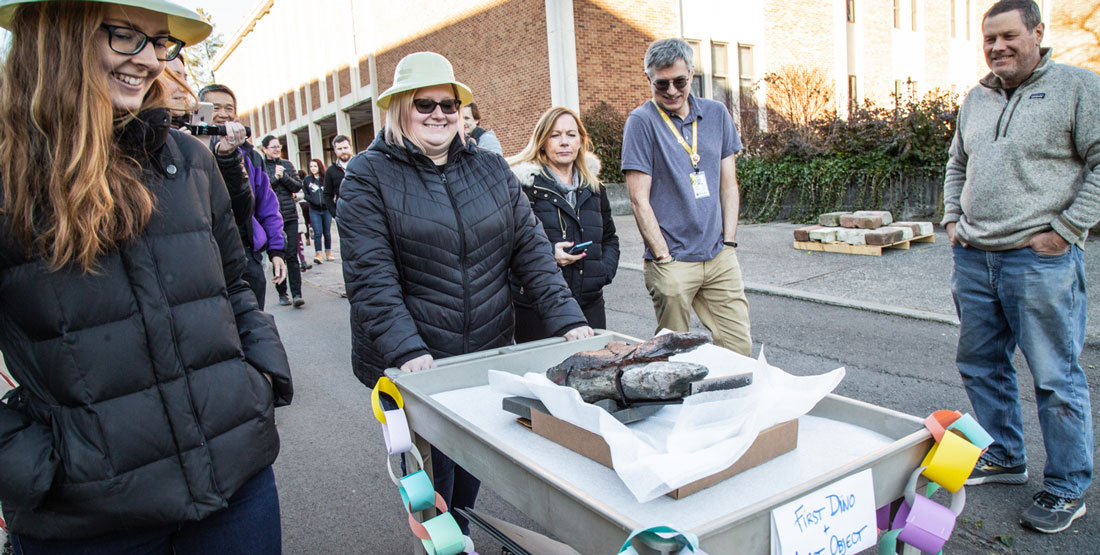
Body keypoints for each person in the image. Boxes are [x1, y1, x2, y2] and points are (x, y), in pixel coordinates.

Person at [0, 1, 293, 552]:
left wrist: (260, 378)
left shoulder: (188, 158)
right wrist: (33, 468)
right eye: (127, 36)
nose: (153, 61)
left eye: (160, 42)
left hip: (235, 486)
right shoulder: (8, 179)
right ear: (57, 37)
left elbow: (236, 285)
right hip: (87, 521)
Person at [338, 51, 591, 547]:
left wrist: (569, 321)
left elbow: (532, 252)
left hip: (481, 357)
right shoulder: (366, 175)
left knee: (466, 482)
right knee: (432, 497)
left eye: (448, 104)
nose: (439, 114)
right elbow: (371, 277)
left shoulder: (492, 169)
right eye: (424, 104)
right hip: (418, 368)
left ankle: (462, 536)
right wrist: (408, 351)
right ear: (399, 109)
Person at [943, 0, 1099, 534]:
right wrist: (950, 219)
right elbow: (957, 160)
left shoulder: (1077, 88)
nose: (997, 47)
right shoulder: (976, 97)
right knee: (981, 363)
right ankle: (1005, 455)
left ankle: (1068, 485)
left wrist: (1067, 229)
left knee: (1055, 377)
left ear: (1037, 32)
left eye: (1008, 36)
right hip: (975, 258)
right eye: (989, 39)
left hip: (1040, 262)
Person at [621, 38, 751, 356]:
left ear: (691, 74)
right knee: (674, 357)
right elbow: (639, 199)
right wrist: (664, 257)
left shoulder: (717, 114)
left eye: (679, 81)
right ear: (648, 79)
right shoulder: (641, 122)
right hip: (673, 261)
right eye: (661, 83)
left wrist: (730, 243)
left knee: (738, 346)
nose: (672, 91)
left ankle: (727, 404)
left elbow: (728, 185)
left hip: (719, 256)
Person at [509, 106, 619, 340]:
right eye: (555, 135)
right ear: (542, 141)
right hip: (537, 305)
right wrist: (550, 254)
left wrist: (603, 272)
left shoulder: (594, 188)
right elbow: (508, 244)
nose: (564, 142)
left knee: (592, 369)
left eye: (571, 134)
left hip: (589, 303)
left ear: (580, 140)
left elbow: (610, 238)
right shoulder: (524, 188)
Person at [199, 83, 286, 309]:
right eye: (215, 107)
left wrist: (276, 251)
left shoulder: (250, 155)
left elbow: (267, 206)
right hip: (205, 258)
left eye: (229, 108)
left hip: (247, 255)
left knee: (254, 323)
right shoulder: (189, 150)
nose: (223, 114)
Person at [260, 135, 304, 308]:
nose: (277, 149)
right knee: (279, 256)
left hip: (290, 216)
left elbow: (297, 186)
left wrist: (284, 176)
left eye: (279, 146)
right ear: (264, 149)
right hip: (272, 219)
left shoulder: (286, 164)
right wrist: (275, 179)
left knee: (292, 255)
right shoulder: (261, 166)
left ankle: (297, 293)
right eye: (273, 147)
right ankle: (282, 293)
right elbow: (261, 189)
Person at [303, 158, 332, 264]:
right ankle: (318, 254)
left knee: (327, 233)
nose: (313, 168)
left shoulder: (325, 178)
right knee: (317, 232)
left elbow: (331, 191)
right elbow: (305, 193)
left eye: (315, 166)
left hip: (326, 209)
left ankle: (328, 252)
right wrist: (312, 200)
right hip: (314, 209)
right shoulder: (307, 180)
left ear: (319, 166)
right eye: (311, 166)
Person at [323, 134, 352, 238]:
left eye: (345, 148)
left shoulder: (361, 164)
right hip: (343, 216)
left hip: (364, 213)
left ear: (351, 147)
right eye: (340, 149)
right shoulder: (330, 171)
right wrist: (335, 214)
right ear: (335, 150)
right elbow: (327, 194)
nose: (343, 151)